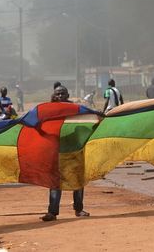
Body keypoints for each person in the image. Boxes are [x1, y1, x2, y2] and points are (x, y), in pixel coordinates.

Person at [40, 85, 90, 222]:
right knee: (55, 182)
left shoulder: (74, 110)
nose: (60, 96)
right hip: (57, 150)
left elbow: (85, 123)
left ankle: (79, 209)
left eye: (63, 94)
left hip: (74, 149)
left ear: (67, 95)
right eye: (58, 94)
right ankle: (52, 212)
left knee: (78, 181)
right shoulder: (49, 111)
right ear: (54, 96)